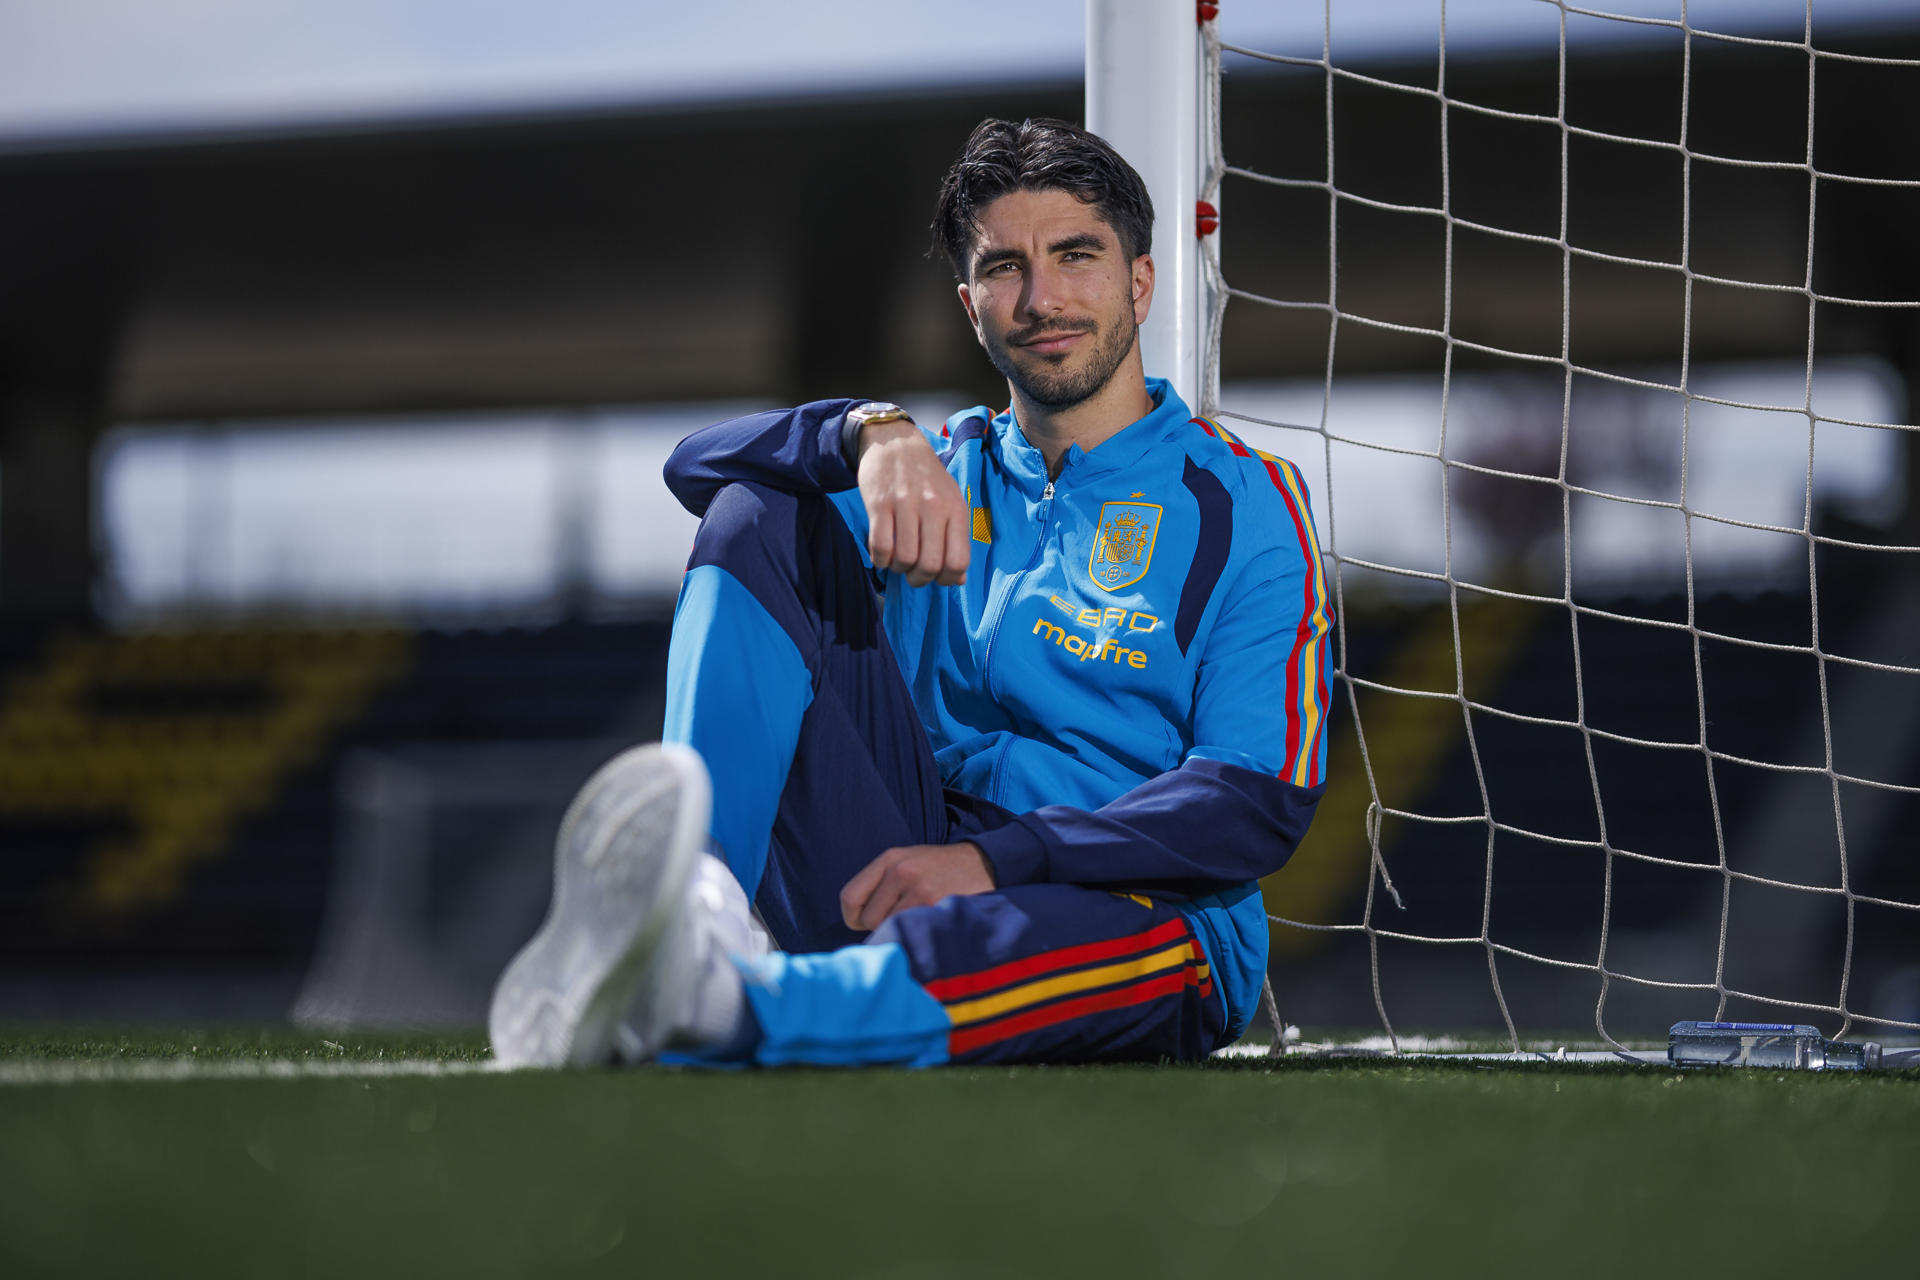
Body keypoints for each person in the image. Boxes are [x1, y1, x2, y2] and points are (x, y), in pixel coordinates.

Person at [488, 117, 1332, 1070]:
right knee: (762, 513)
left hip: (1137, 907)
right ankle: (698, 911)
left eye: (1076, 255)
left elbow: (1258, 798)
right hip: (902, 856)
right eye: (1007, 267)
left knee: (1000, 944)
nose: (1043, 297)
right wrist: (866, 432)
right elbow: (701, 474)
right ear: (971, 304)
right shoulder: (936, 468)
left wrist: (1000, 862)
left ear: (1140, 282)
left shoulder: (1244, 504)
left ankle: (716, 1010)